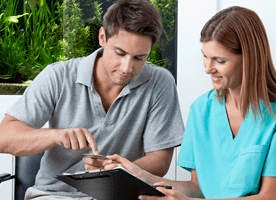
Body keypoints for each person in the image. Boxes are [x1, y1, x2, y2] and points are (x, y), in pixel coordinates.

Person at [102, 6, 276, 200]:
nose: (208, 69)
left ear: (249, 58)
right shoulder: (201, 109)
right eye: (205, 56)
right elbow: (198, 188)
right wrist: (141, 176)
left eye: (220, 61)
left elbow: (268, 196)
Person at [0, 0, 184, 199]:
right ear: (102, 37)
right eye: (120, 53)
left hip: (120, 195)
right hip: (56, 195)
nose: (126, 68)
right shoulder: (58, 76)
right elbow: (4, 138)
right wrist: (55, 136)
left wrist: (118, 169)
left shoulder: (160, 82)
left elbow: (160, 160)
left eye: (140, 57)